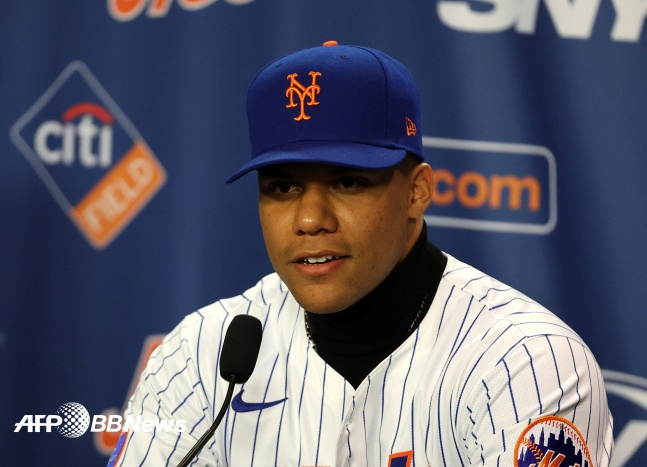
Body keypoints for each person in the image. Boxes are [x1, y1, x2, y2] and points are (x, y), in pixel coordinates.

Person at [108, 42, 613, 467]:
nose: (310, 219)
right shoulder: (199, 355)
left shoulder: (523, 360)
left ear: (417, 191)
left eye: (347, 182)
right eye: (282, 187)